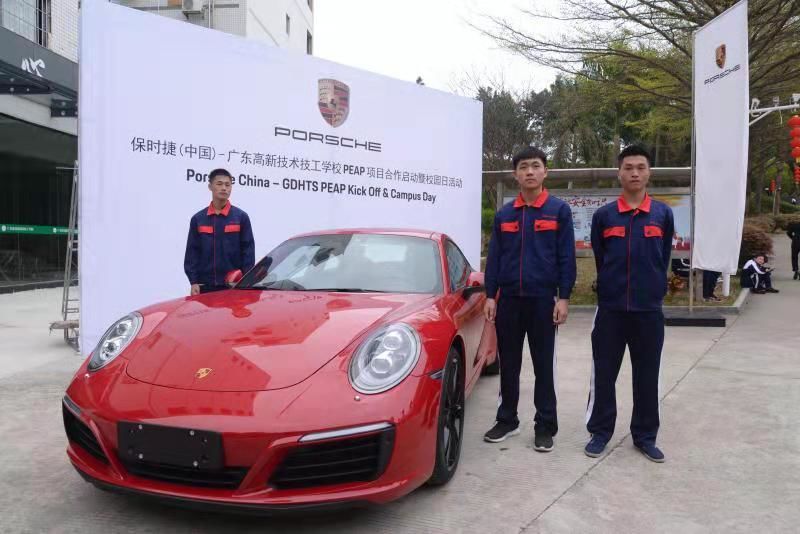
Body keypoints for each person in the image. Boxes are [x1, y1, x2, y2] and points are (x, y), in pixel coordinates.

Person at [483, 146, 577, 452]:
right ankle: (507, 420)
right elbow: (495, 259)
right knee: (509, 365)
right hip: (509, 301)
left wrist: (563, 298)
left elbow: (566, 258)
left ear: (545, 172)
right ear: (515, 174)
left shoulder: (558, 211)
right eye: (523, 167)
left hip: (542, 302)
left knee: (543, 367)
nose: (530, 172)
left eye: (535, 166)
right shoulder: (505, 214)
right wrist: (490, 295)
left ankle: (545, 426)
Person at [584, 144, 674, 463]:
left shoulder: (662, 214)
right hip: (611, 310)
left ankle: (645, 436)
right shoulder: (604, 216)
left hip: (648, 311)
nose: (634, 173)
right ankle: (600, 432)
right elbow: (601, 257)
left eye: (640, 167)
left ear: (649, 173)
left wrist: (653, 288)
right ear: (619, 173)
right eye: (628, 167)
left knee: (647, 376)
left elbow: (663, 256)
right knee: (604, 373)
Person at [184, 168, 255, 295]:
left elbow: (248, 252)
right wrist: (193, 281)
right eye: (219, 184)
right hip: (204, 286)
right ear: (210, 187)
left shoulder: (241, 217)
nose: (224, 188)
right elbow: (192, 253)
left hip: (233, 286)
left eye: (228, 185)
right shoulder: (198, 219)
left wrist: (244, 282)